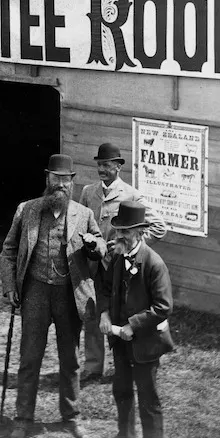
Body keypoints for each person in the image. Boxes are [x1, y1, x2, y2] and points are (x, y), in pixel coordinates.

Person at [0, 154, 107, 438]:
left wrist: (93, 245)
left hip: (68, 295)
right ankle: (23, 418)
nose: (61, 184)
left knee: (70, 359)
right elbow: (8, 250)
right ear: (47, 178)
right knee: (30, 358)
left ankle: (71, 417)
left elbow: (101, 246)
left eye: (66, 179)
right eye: (56, 178)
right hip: (35, 292)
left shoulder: (83, 214)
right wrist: (10, 286)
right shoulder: (28, 210)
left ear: (72, 182)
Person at [78, 142, 167, 381]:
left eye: (107, 165)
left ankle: (124, 364)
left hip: (119, 270)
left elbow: (159, 227)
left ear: (118, 167)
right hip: (93, 267)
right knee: (93, 313)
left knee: (119, 314)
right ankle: (93, 366)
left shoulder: (131, 195)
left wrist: (129, 247)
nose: (102, 170)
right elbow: (82, 223)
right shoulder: (88, 192)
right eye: (99, 165)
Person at [99, 201, 174, 438]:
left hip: (145, 343)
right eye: (118, 230)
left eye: (126, 231)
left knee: (147, 397)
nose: (119, 236)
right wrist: (104, 314)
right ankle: (126, 436)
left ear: (141, 232)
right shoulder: (118, 257)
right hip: (120, 341)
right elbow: (106, 288)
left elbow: (163, 306)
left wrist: (134, 325)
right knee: (121, 390)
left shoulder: (154, 263)